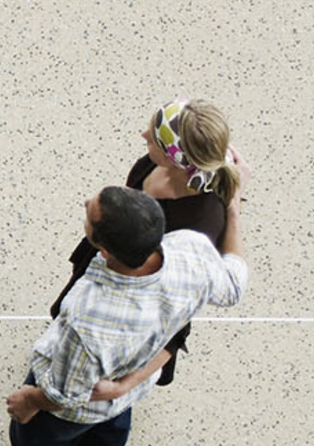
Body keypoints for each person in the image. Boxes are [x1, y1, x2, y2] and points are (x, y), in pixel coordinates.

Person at [0, 184, 248, 446]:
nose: (86, 201)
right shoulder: (192, 250)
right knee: (107, 435)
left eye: (90, 214)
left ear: (104, 249)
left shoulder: (89, 318)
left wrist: (30, 400)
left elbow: (67, 396)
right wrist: (234, 212)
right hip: (125, 392)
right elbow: (234, 285)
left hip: (78, 404)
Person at [52, 99, 250, 398]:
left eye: (152, 138)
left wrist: (123, 386)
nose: (143, 135)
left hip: (130, 301)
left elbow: (177, 318)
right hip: (112, 260)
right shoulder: (153, 164)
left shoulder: (200, 225)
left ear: (175, 158)